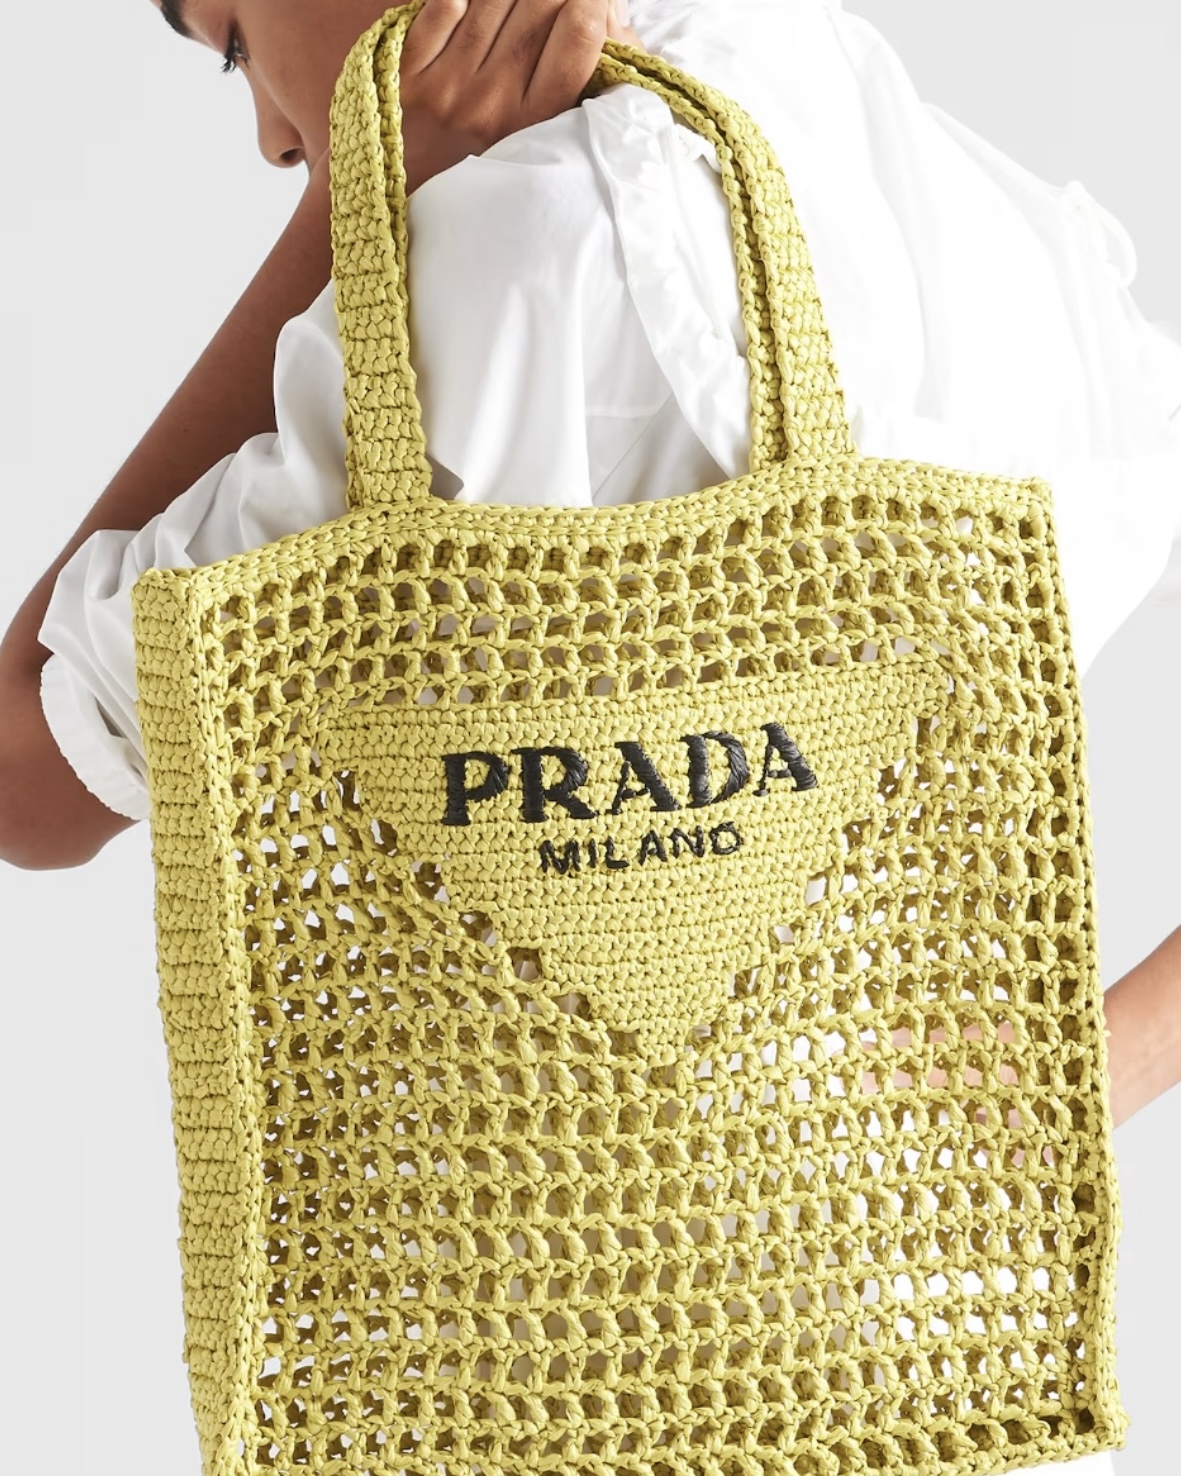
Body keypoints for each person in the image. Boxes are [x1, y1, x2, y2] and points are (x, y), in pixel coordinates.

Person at [0, 2, 1179, 1469]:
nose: (272, 136)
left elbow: (27, 773)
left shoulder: (507, 266)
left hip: (506, 1389)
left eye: (233, 39)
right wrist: (1073, 1077)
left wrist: (370, 199)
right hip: (913, 1361)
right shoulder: (833, 94)